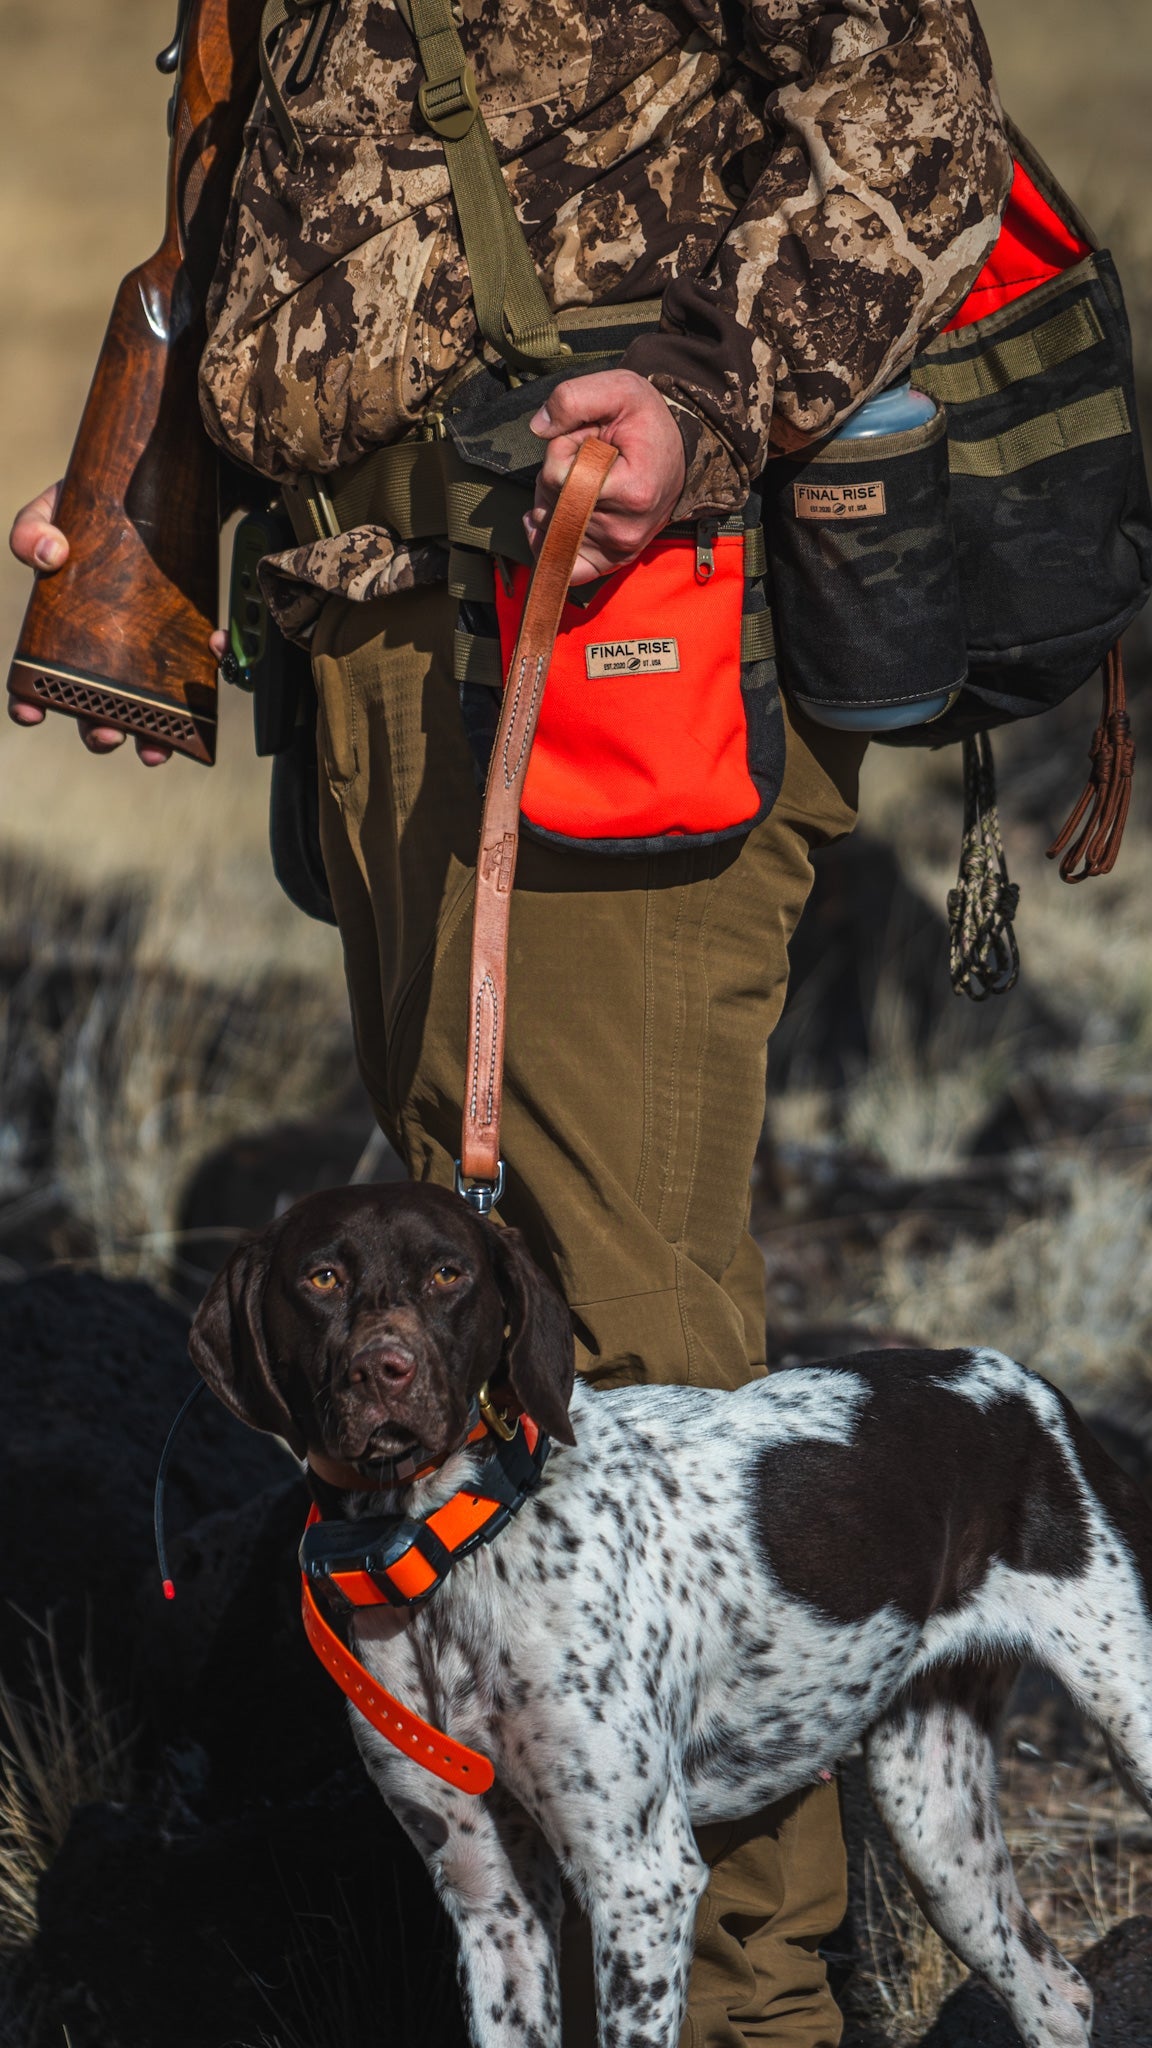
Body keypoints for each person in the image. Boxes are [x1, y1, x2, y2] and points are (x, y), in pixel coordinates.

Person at [9, 3, 1011, 2040]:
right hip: (386, 642)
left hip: (605, 609)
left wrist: (708, 404)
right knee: (480, 1362)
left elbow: (913, 128)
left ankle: (754, 2008)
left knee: (627, 1373)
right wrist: (160, 488)